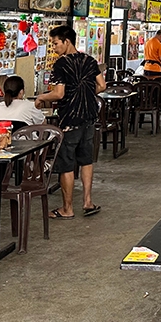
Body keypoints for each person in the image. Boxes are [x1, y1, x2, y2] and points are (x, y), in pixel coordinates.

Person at [35, 25, 106, 219]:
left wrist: (41, 97)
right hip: (89, 117)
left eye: (55, 43)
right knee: (86, 160)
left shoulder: (61, 64)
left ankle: (67, 209)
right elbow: (102, 85)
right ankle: (88, 202)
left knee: (66, 163)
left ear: (67, 42)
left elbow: (59, 94)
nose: (54, 47)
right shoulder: (89, 60)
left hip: (70, 119)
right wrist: (86, 94)